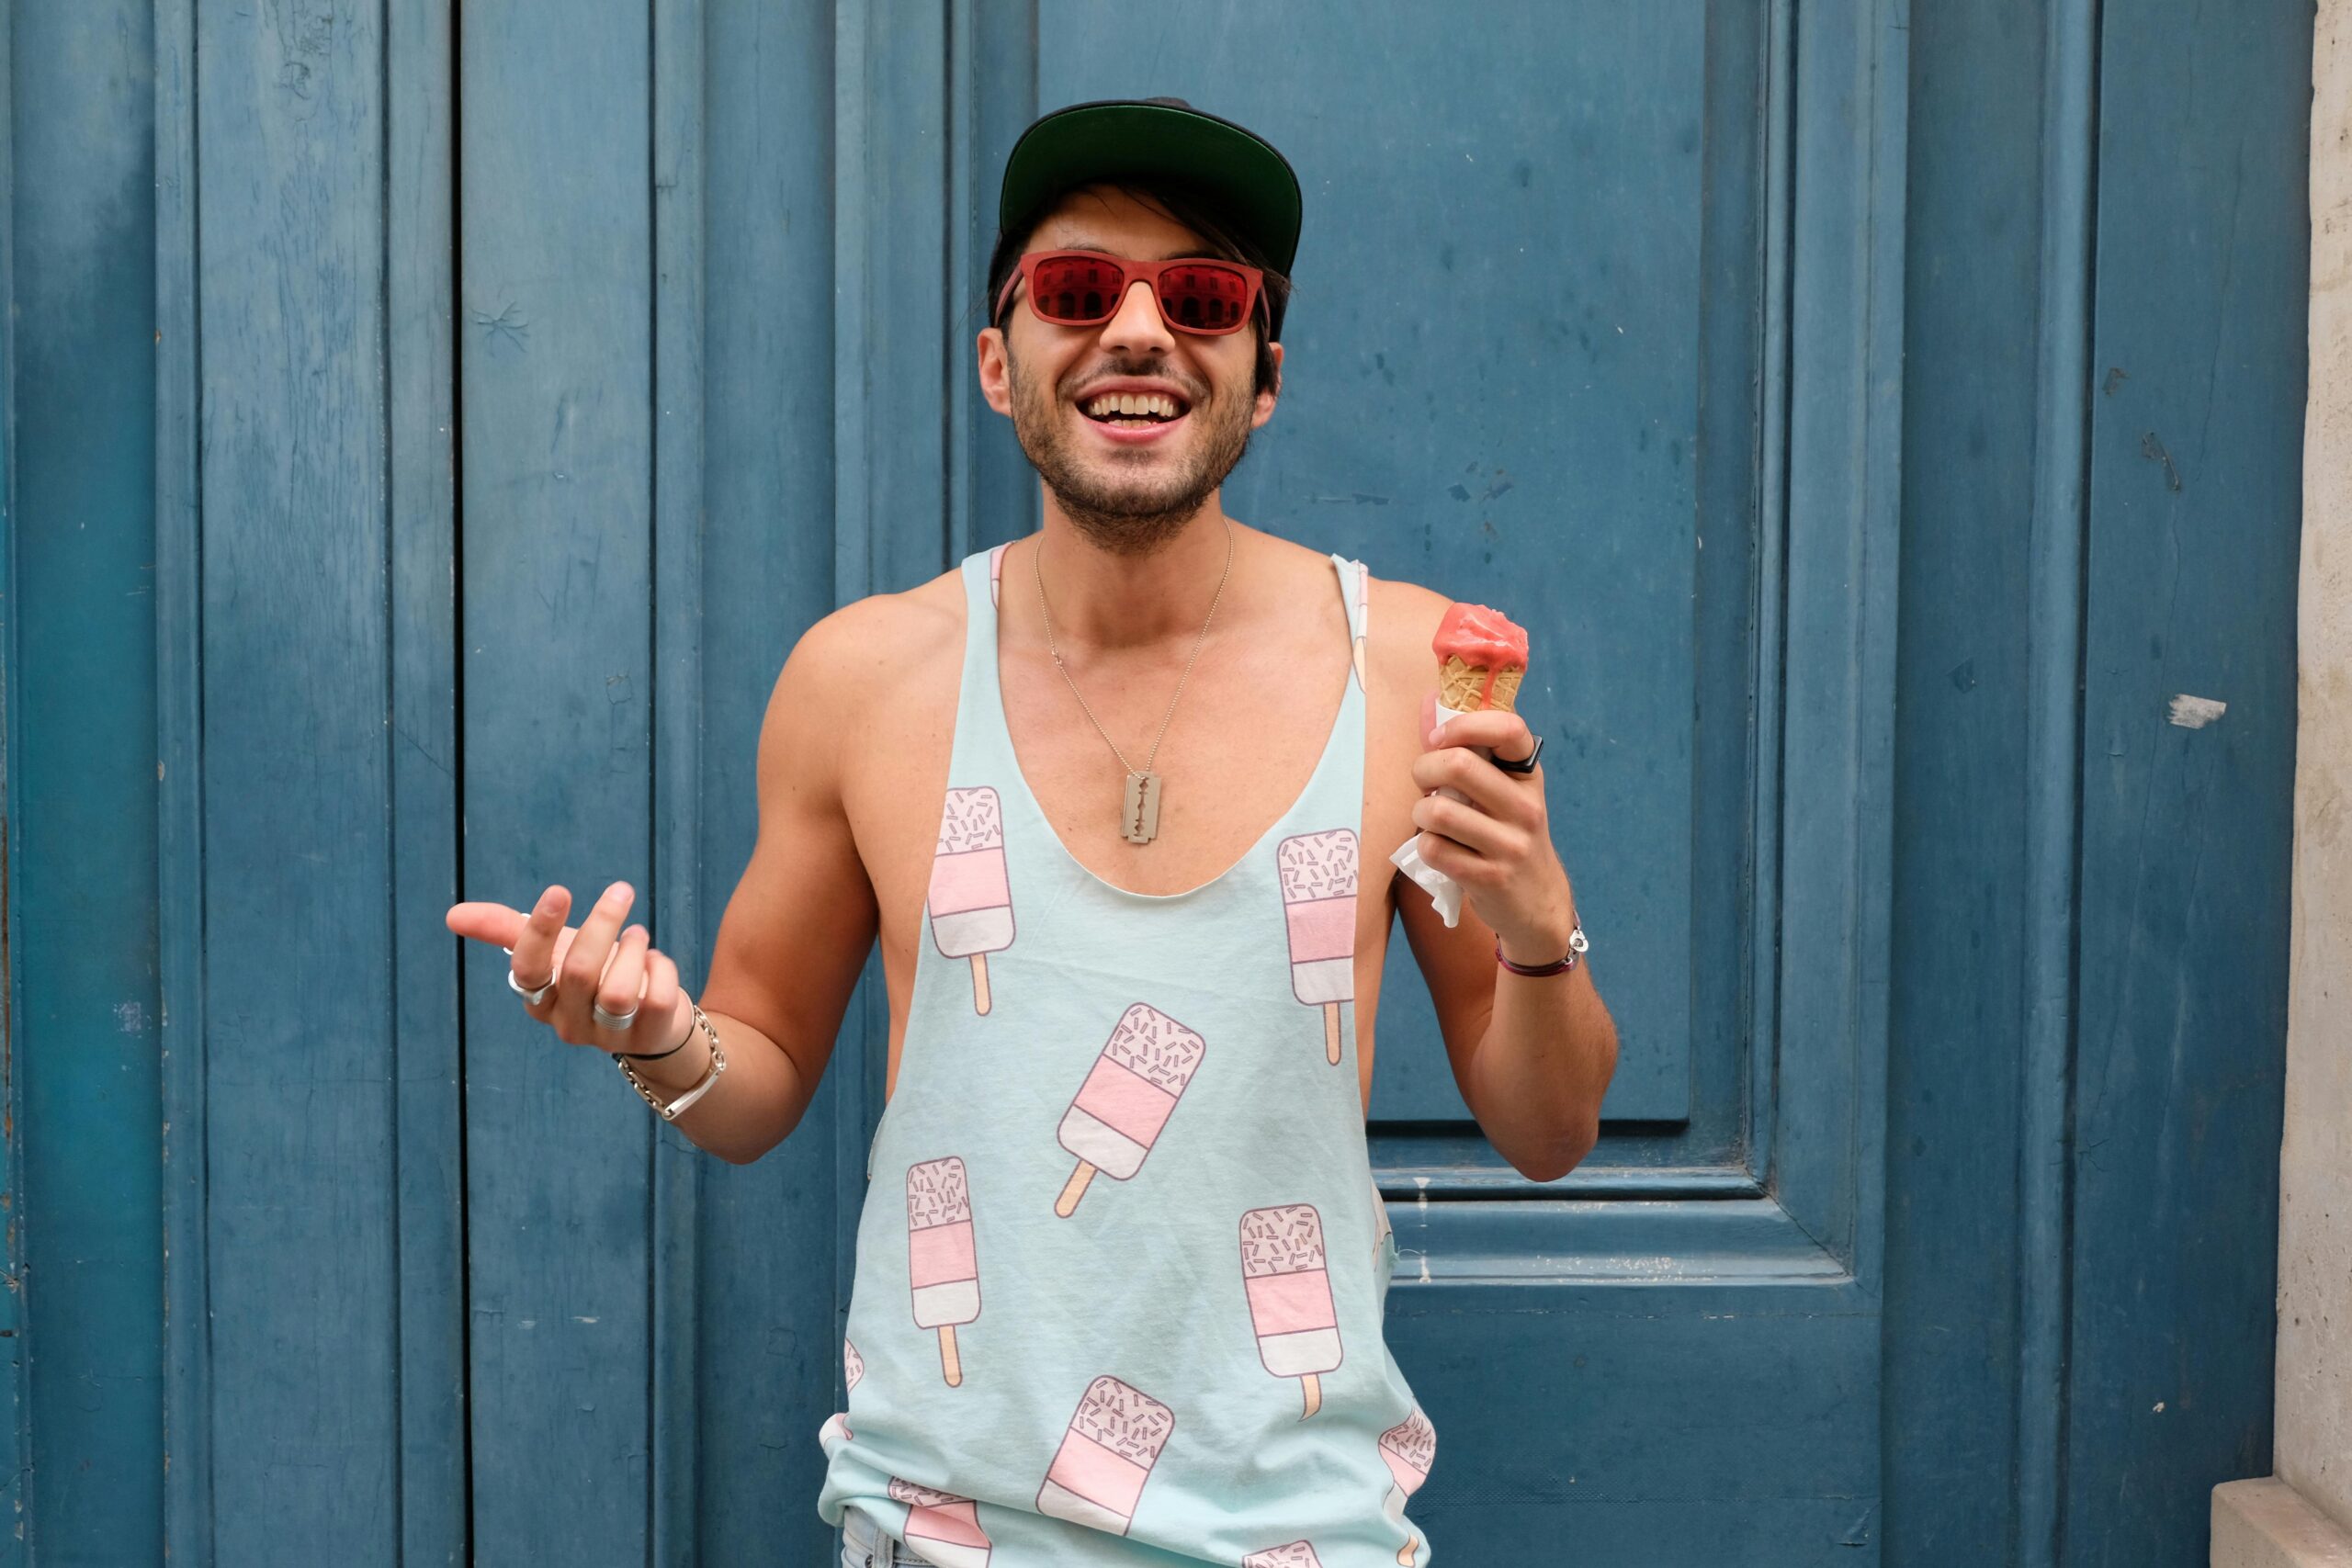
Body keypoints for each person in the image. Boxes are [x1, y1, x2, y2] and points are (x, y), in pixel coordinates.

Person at [447, 96, 1616, 1568]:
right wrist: (651, 1036)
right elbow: (755, 1087)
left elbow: (1550, 1130)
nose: (1138, 330)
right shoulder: (864, 679)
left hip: (1295, 1540)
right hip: (935, 1535)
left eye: (1202, 296)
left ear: (1265, 379)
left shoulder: (1414, 675)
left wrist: (1536, 935)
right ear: (1002, 366)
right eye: (1077, 290)